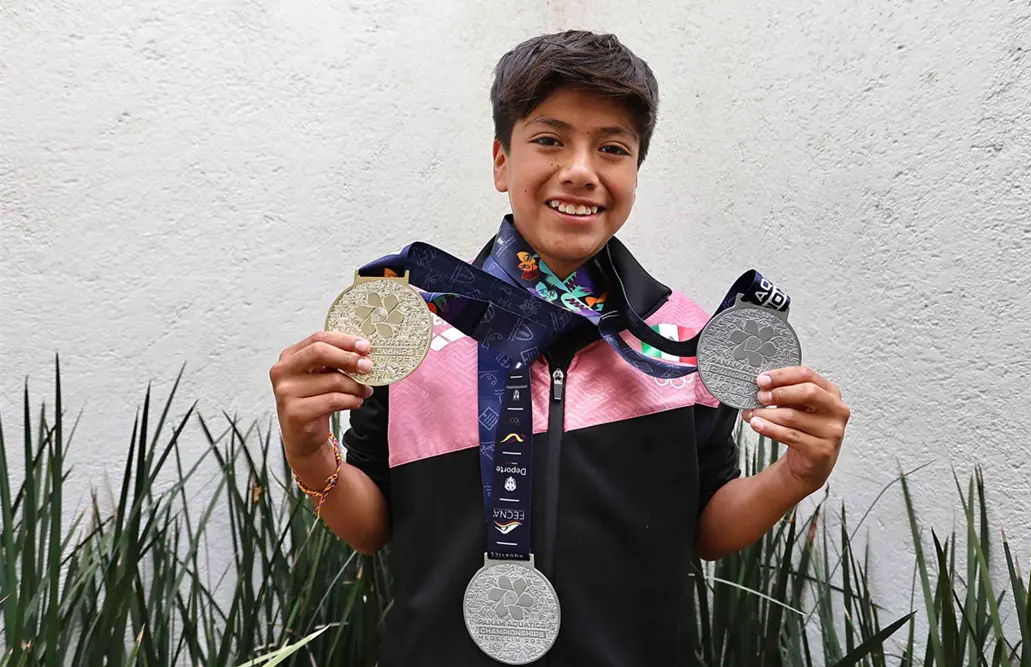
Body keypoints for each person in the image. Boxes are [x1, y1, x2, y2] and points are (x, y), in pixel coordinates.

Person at [269, 30, 851, 667]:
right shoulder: (416, 327)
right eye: (549, 140)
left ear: (635, 172)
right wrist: (307, 449)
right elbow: (370, 526)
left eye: (612, 148)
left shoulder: (682, 338)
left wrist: (795, 476)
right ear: (501, 161)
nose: (580, 170)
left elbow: (708, 529)